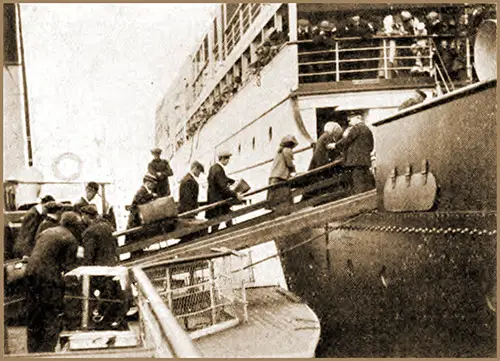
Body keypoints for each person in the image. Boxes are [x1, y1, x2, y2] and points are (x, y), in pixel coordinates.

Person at [25, 211, 85, 353]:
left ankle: (32, 351)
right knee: (51, 315)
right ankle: (47, 351)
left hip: (30, 274)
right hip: (49, 279)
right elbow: (69, 269)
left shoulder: (46, 232)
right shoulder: (70, 239)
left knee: (34, 313)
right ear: (74, 226)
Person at [327, 113, 375, 194]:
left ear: (358, 117)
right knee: (366, 183)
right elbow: (371, 146)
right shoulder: (367, 129)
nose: (349, 122)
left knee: (358, 184)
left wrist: (335, 145)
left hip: (356, 162)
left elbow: (347, 140)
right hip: (365, 162)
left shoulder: (356, 128)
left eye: (351, 119)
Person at [206, 149, 244, 232]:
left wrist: (233, 181)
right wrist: (236, 195)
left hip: (213, 200)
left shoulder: (213, 168)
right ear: (223, 159)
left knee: (222, 219)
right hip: (219, 202)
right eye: (227, 159)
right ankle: (231, 234)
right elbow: (223, 188)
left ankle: (231, 233)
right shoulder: (219, 170)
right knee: (221, 220)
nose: (228, 161)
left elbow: (222, 179)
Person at [125, 174, 159, 257]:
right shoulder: (141, 191)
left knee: (137, 245)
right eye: (152, 183)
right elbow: (140, 200)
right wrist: (151, 196)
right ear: (147, 183)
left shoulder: (145, 191)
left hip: (137, 221)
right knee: (135, 244)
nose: (153, 185)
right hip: (134, 222)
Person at [266, 135, 299, 211]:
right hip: (281, 177)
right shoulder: (287, 150)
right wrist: (294, 171)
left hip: (274, 177)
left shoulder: (279, 151)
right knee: (284, 199)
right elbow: (289, 163)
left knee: (275, 200)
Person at [178, 161, 207, 242]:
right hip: (187, 211)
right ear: (195, 168)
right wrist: (192, 211)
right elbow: (188, 199)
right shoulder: (189, 180)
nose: (199, 174)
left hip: (187, 210)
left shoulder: (188, 178)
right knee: (195, 230)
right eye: (199, 171)